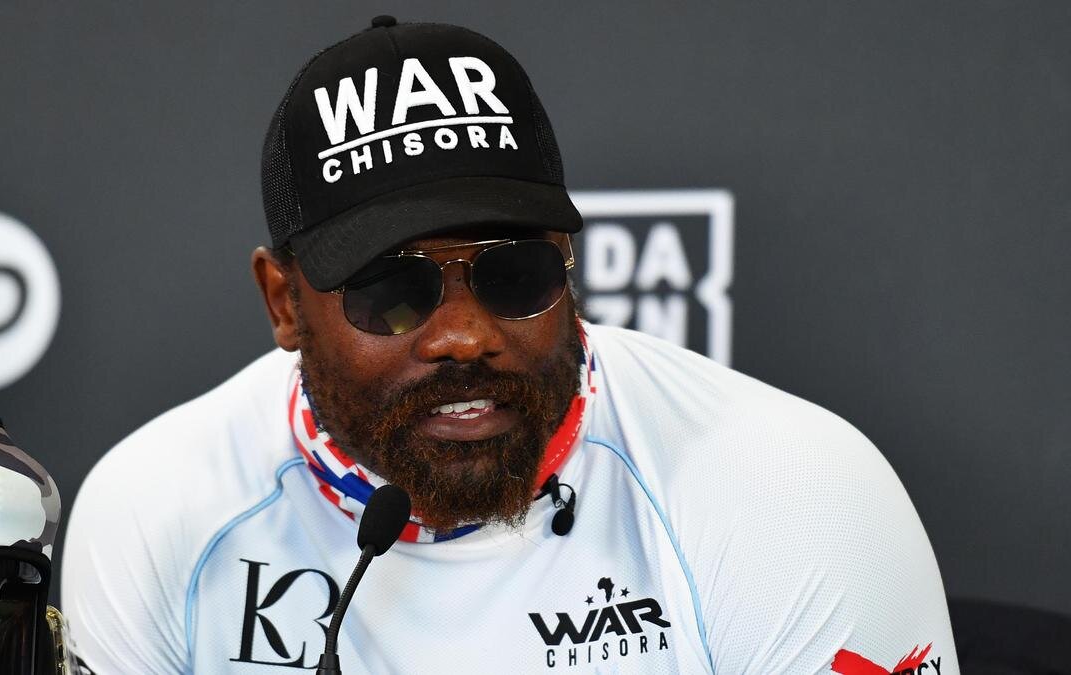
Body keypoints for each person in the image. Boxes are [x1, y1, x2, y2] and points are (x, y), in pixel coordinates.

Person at [61, 17, 958, 674]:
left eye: (515, 273)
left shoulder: (789, 486)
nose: (466, 334)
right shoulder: (158, 511)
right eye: (391, 290)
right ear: (282, 301)